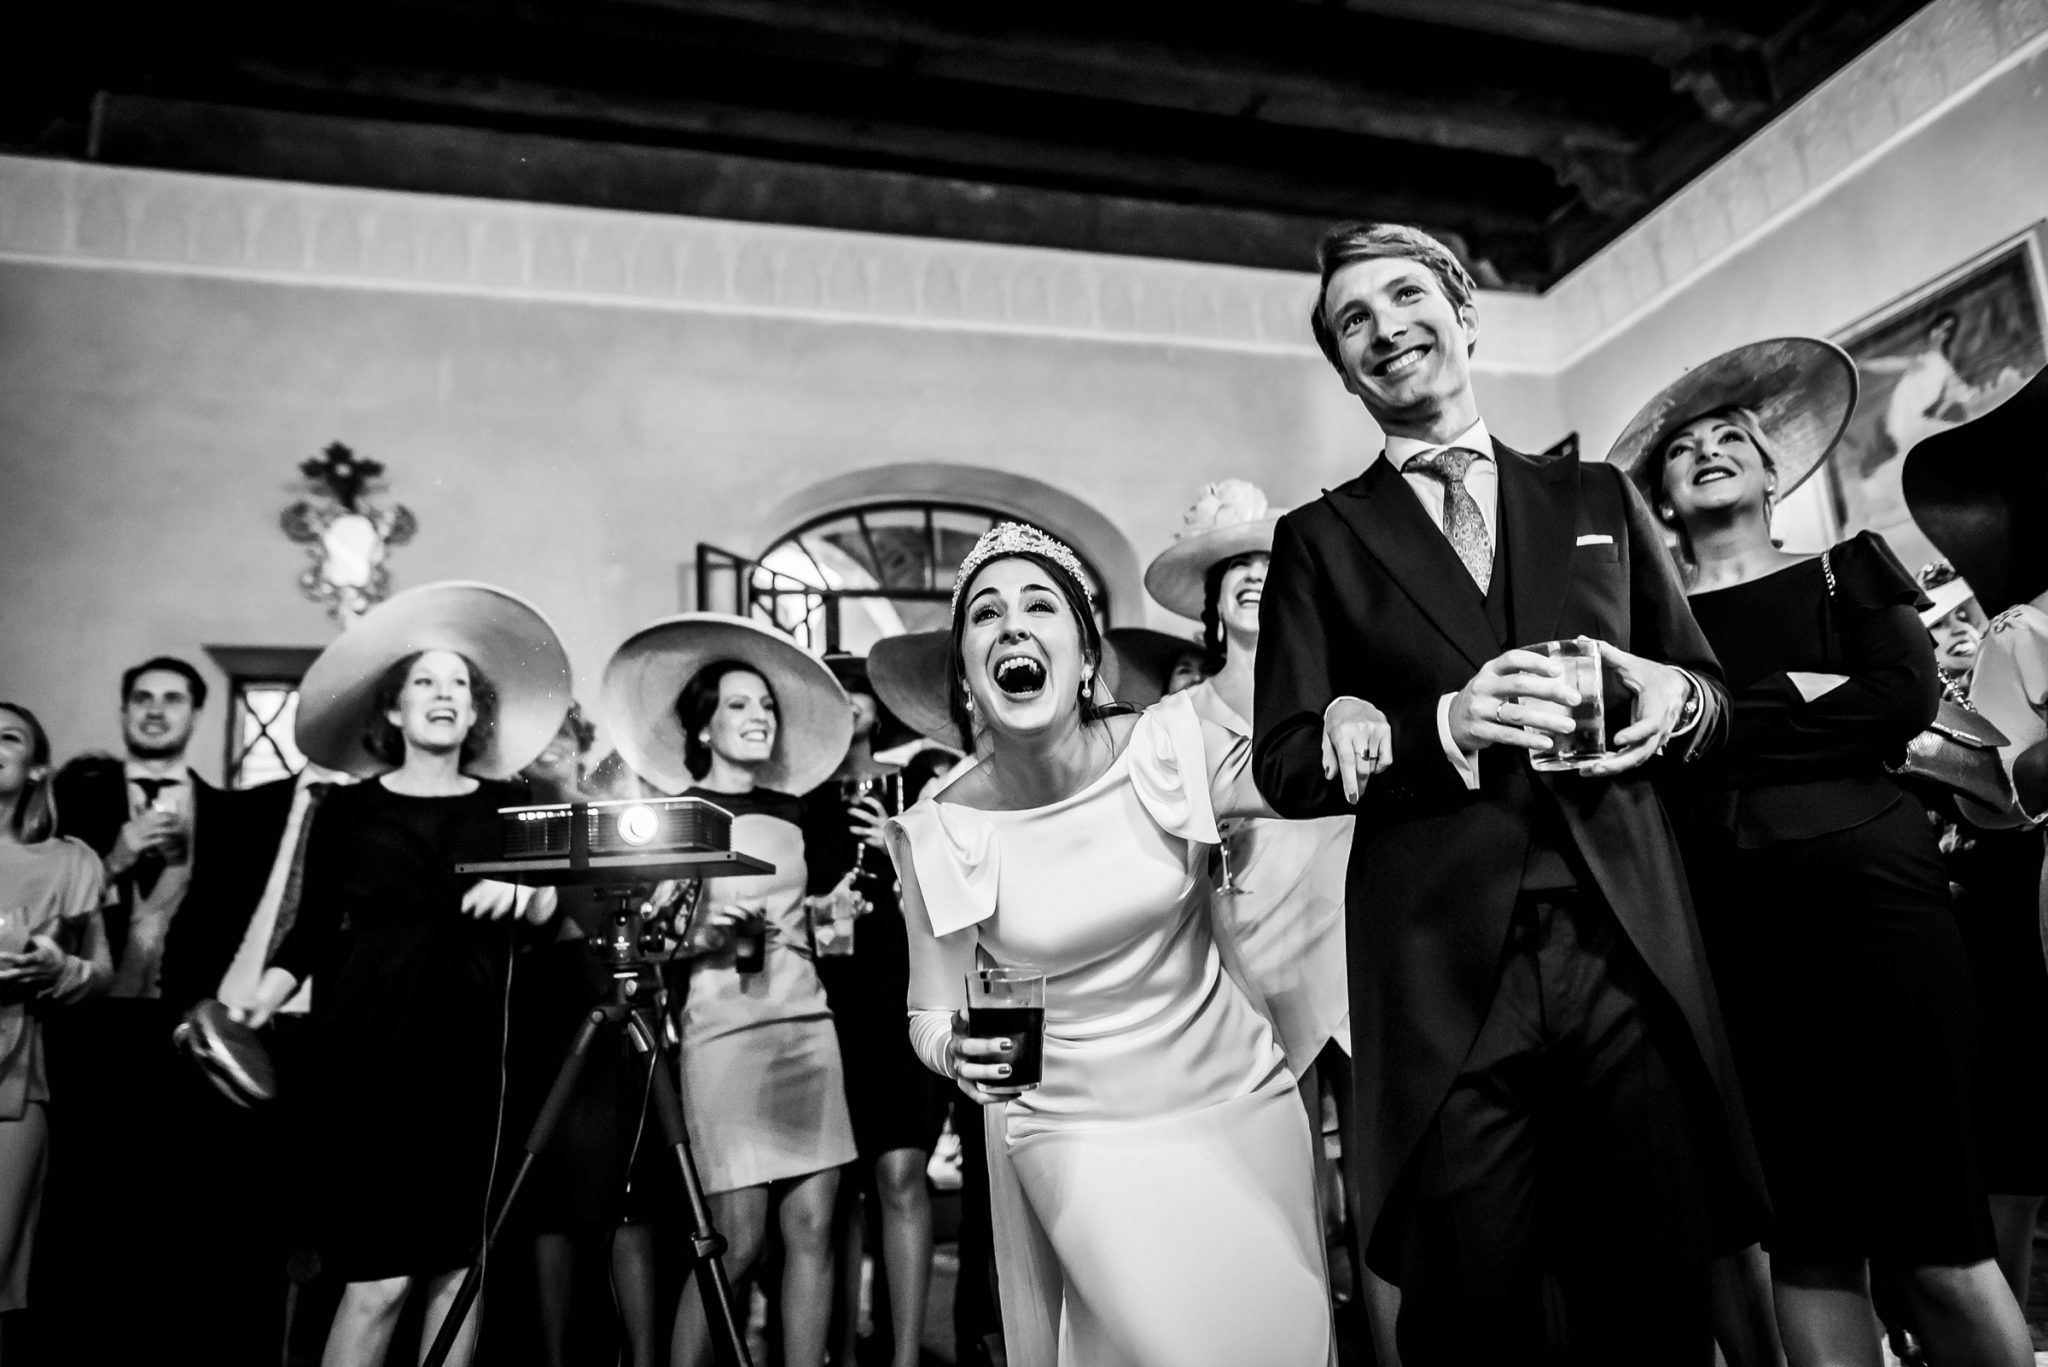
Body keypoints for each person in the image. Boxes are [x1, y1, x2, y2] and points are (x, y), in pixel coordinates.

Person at [1253, 221, 1760, 1366]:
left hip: (1623, 949)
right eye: (1351, 322)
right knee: (1478, 1309)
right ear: (1343, 372)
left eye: (1404, 297)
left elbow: (1712, 700)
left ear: (1463, 314)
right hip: (1441, 974)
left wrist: (1668, 695)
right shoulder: (1318, 540)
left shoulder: (1597, 495)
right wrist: (1440, 725)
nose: (1384, 329)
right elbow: (1284, 760)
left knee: (1650, 1297)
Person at [1610, 337, 2032, 1366]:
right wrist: (1800, 699)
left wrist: (1710, 719)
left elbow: (1900, 699)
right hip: (1731, 933)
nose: (1708, 450)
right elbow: (1650, 764)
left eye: (1732, 437)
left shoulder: (1848, 570)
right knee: (1808, 1243)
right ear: (1660, 496)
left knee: (1942, 1239)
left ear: (1771, 473)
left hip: (1883, 909)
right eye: (1682, 448)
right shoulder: (1637, 628)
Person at [880, 522, 1335, 1367]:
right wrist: (954, 1048)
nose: (1012, 625)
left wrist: (1362, 713)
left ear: (1087, 656)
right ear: (968, 676)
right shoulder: (939, 831)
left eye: (1039, 604)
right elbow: (929, 1011)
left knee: (1279, 1343)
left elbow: (1307, 776)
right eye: (986, 613)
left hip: (1240, 1104)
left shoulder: (1171, 744)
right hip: (1074, 1135)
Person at [241, 582, 574, 1367]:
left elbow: (555, 912)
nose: (444, 693)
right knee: (379, 1279)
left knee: (459, 1272)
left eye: (460, 683)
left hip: (473, 1060)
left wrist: (527, 891)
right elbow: (311, 930)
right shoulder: (346, 809)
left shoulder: (513, 803)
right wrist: (259, 998)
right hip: (368, 1057)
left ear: (474, 711)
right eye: (425, 680)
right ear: (393, 709)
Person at [1143, 479, 1385, 1347]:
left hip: (1358, 949)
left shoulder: (1348, 694)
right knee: (1285, 1200)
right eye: (1234, 568)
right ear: (1211, 603)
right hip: (1246, 967)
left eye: (1269, 564)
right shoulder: (1175, 719)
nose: (1254, 576)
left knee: (1383, 1199)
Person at [600, 612, 856, 1367]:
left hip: (807, 1025)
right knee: (734, 1243)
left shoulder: (796, 810)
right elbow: (646, 942)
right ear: (704, 726)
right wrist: (704, 936)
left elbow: (799, 918)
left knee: (814, 1229)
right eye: (739, 704)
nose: (759, 716)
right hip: (725, 1035)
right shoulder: (681, 817)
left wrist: (829, 913)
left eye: (767, 705)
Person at [35, 656, 297, 1362]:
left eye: (173, 698)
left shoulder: (236, 815)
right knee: (85, 1207)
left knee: (179, 1213)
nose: (156, 710)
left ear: (195, 713)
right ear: (125, 711)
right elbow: (36, 905)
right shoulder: (72, 808)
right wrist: (113, 859)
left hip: (185, 1038)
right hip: (90, 1030)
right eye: (143, 698)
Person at [1904, 363, 2048, 1319]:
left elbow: (2004, 792)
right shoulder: (2020, 631)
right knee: (2015, 1149)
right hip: (2006, 912)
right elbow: (2008, 791)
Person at [511, 703, 669, 1367]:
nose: (549, 744)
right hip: (543, 1013)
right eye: (534, 734)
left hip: (615, 1006)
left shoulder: (617, 815)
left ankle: (641, 1355)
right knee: (550, 1200)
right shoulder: (507, 822)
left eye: (560, 729)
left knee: (628, 1193)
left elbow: (649, 907)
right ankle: (554, 1357)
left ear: (580, 740)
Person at [803, 655, 948, 1367]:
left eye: (858, 689)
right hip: (826, 1005)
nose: (849, 700)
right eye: (836, 691)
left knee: (899, 1174)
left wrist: (897, 847)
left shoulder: (917, 783)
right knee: (835, 1191)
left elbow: (952, 890)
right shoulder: (799, 798)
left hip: (904, 994)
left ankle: (905, 1356)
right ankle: (837, 1346)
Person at [0, 703, 108, 1351]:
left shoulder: (71, 861)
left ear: (38, 767)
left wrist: (57, 967)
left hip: (14, 1073)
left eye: (7, 737)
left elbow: (102, 972)